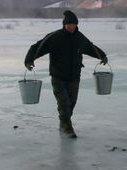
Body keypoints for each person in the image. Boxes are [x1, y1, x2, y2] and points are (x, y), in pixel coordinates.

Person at [24, 10, 108, 138]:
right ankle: (67, 128)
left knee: (71, 102)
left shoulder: (80, 38)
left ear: (76, 25)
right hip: (58, 76)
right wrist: (29, 60)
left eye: (73, 24)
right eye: (68, 24)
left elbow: (91, 48)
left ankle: (64, 123)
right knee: (64, 103)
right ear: (64, 24)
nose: (71, 27)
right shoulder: (55, 37)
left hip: (74, 76)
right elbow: (37, 47)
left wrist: (102, 56)